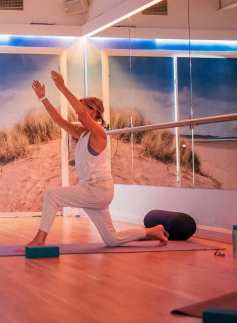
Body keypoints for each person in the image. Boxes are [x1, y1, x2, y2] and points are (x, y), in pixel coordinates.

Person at [17, 70, 167, 251]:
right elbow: (58, 120)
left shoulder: (98, 133)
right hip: (91, 190)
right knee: (112, 239)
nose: (78, 113)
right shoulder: (82, 133)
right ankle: (153, 232)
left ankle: (39, 240)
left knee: (52, 195)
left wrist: (62, 88)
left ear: (94, 112)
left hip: (98, 189)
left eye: (83, 109)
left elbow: (80, 112)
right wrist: (43, 98)